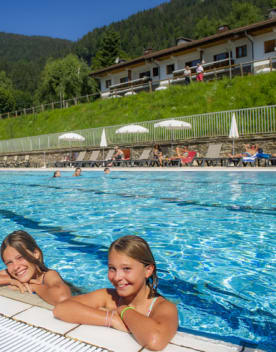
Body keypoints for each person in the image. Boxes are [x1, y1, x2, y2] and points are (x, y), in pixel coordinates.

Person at [54, 235, 178, 351]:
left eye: (126, 269)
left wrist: (123, 310)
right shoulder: (108, 296)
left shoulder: (164, 307)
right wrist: (112, 319)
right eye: (112, 268)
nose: (117, 277)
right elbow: (61, 309)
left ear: (148, 270)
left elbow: (155, 341)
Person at [0, 230, 71, 305]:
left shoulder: (48, 275)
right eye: (9, 262)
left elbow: (62, 298)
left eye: (20, 257)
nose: (15, 267)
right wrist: (12, 281)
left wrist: (34, 287)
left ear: (35, 254)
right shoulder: (12, 274)